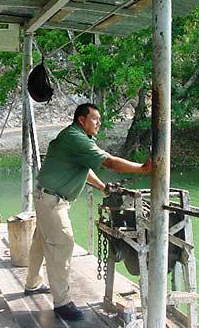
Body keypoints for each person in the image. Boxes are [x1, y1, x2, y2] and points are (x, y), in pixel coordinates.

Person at [24, 103, 152, 321]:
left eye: (100, 119)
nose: (98, 123)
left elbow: (85, 168)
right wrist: (142, 168)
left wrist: (102, 187)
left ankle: (33, 282)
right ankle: (62, 303)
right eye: (94, 119)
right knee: (62, 243)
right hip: (51, 200)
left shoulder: (77, 139)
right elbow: (109, 162)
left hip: (46, 196)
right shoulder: (76, 138)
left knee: (41, 238)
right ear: (81, 120)